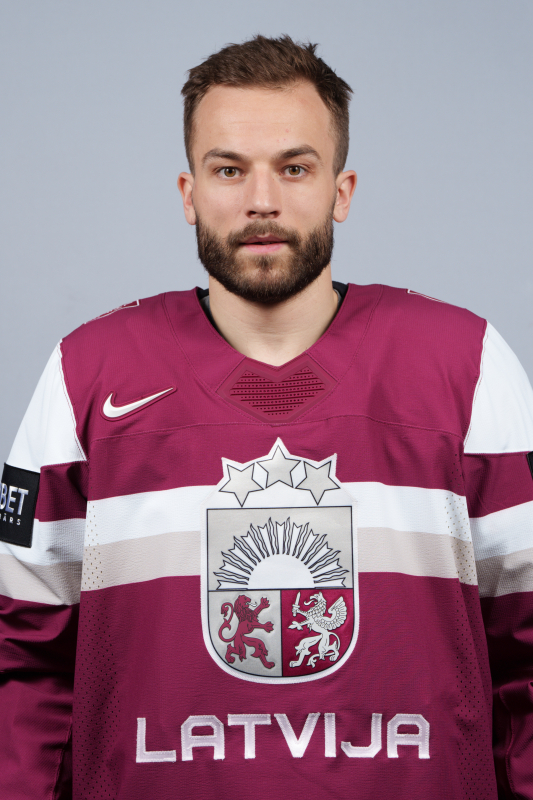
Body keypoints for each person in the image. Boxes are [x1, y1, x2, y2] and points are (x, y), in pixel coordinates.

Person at [1, 34, 532, 800]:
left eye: (293, 168)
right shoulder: (88, 373)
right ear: (187, 192)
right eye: (228, 169)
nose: (261, 200)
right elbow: (22, 660)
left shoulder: (465, 365)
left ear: (341, 191)